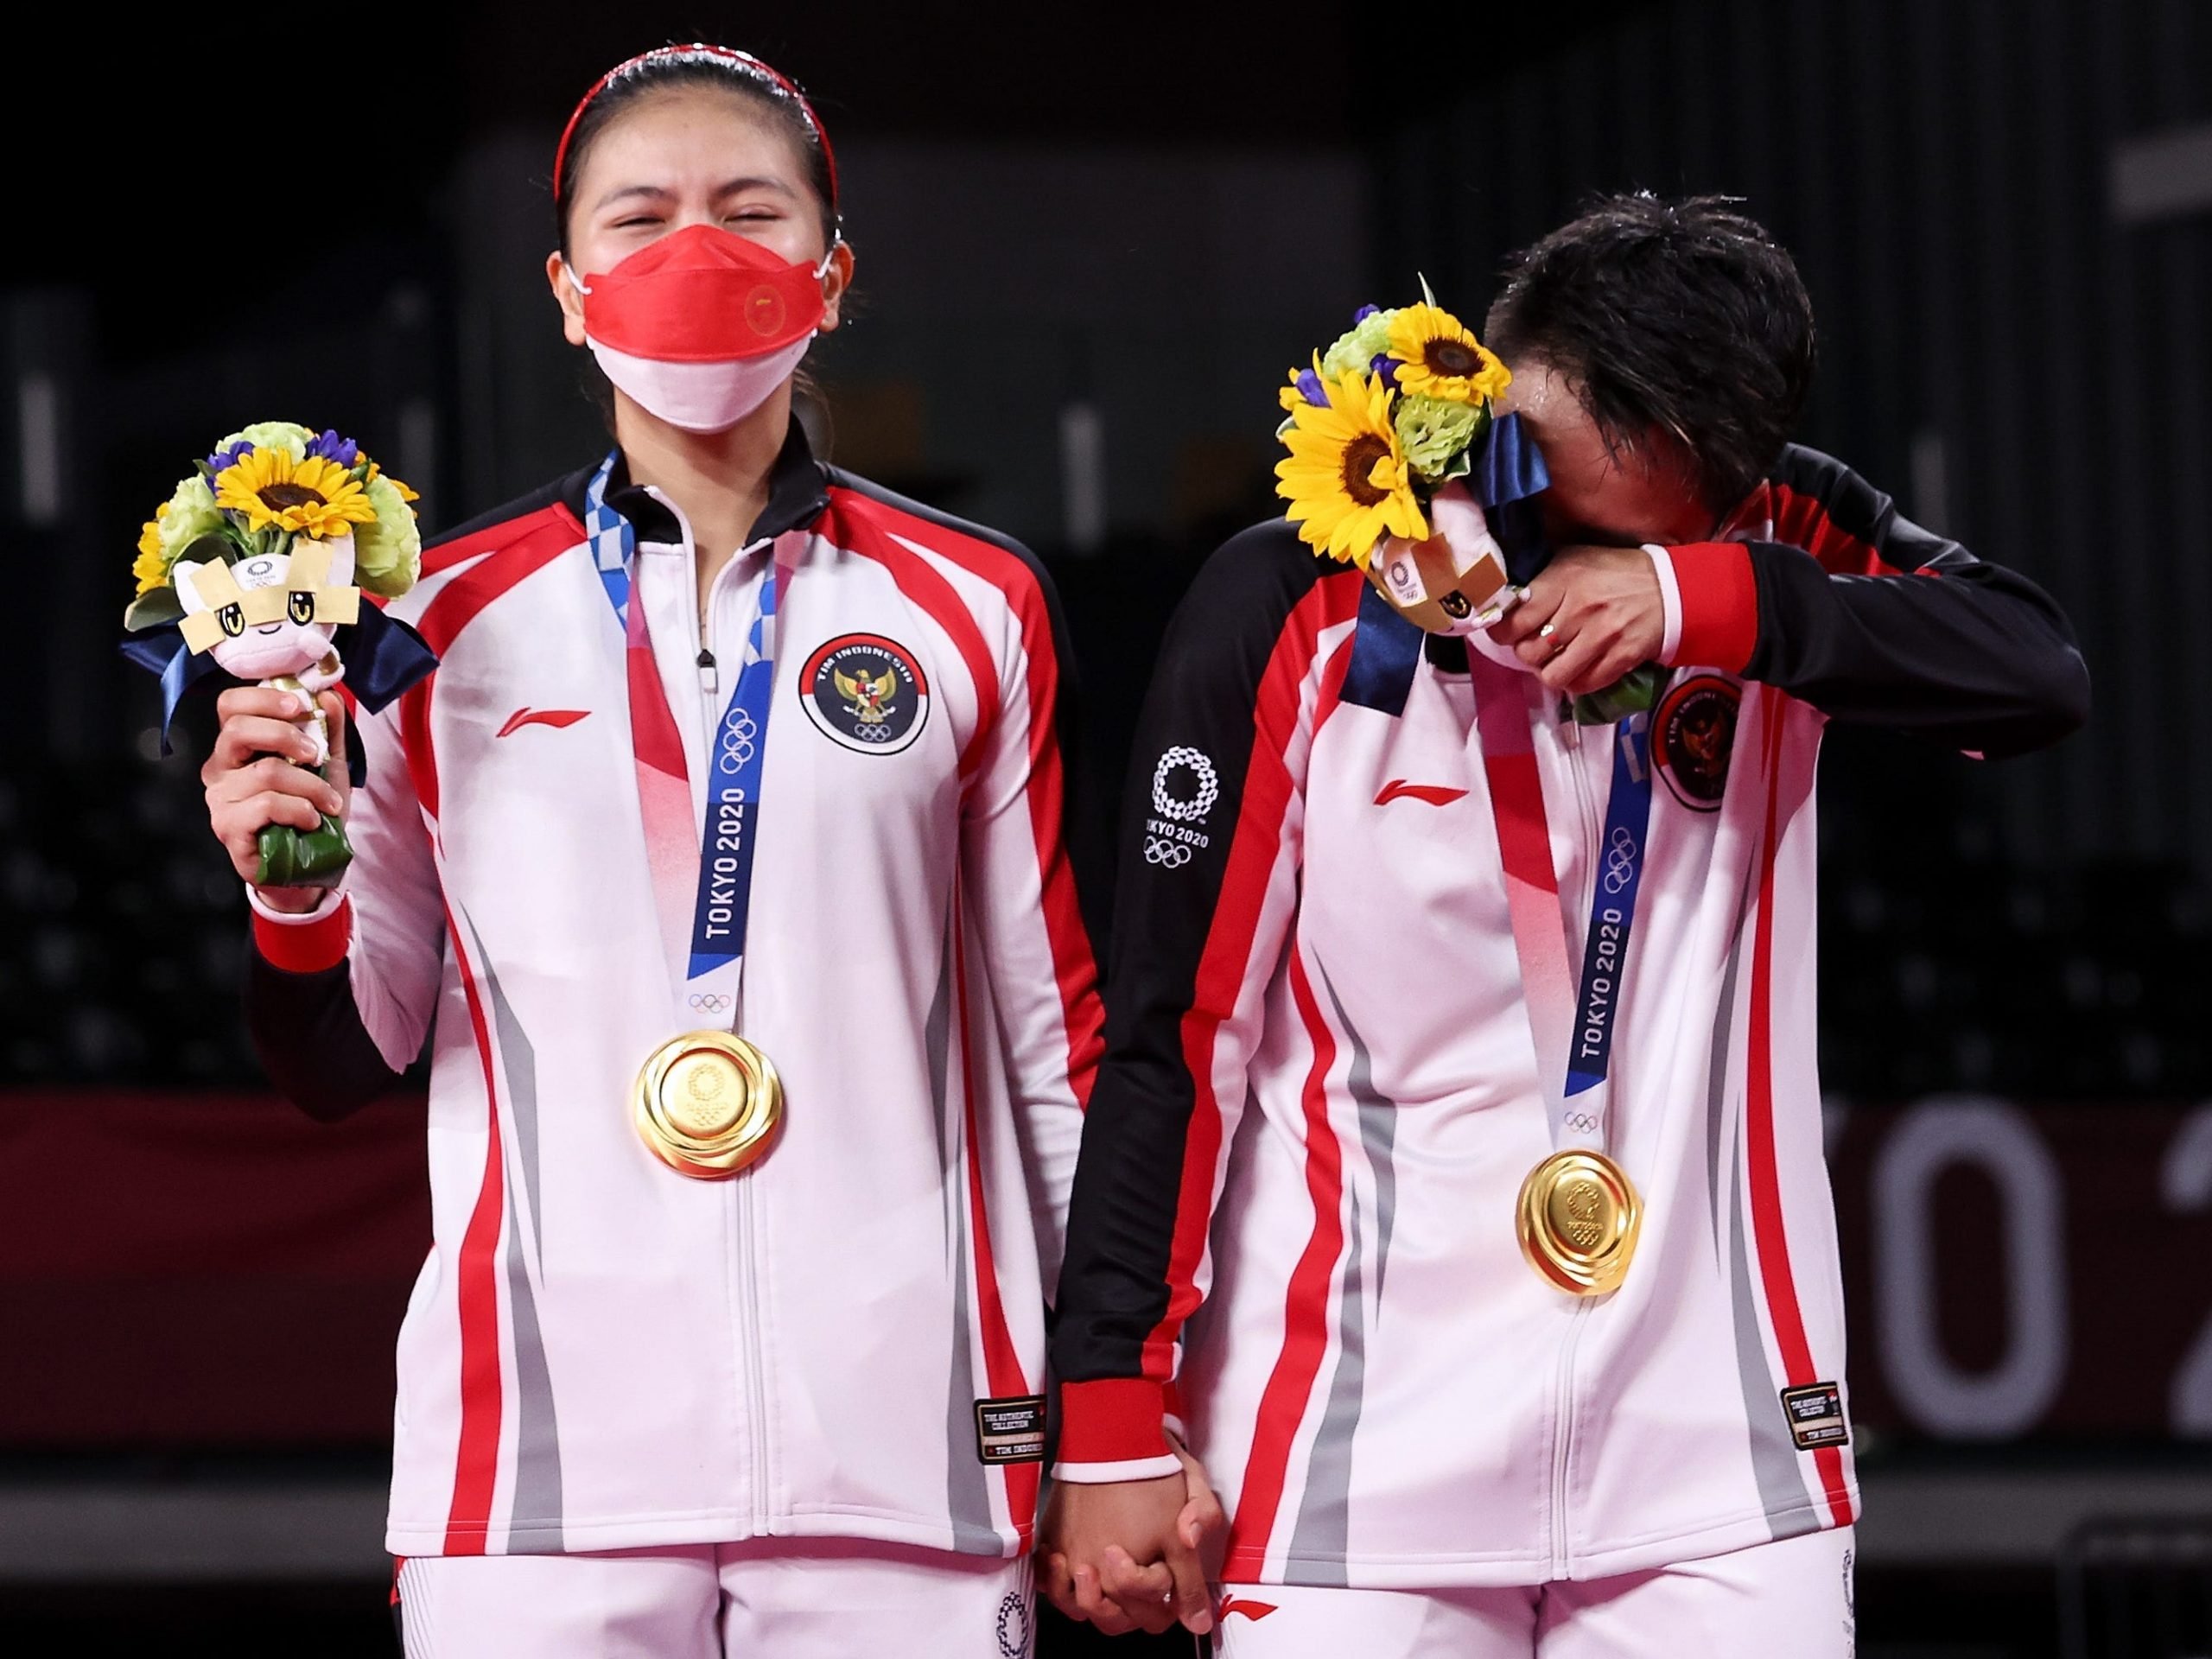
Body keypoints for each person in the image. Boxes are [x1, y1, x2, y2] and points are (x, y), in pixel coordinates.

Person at [1039, 194, 2089, 1656]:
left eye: (1644, 523)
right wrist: (1108, 1407)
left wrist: (1700, 594)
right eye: (1547, 479)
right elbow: (1172, 1037)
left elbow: (2037, 670)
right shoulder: (1296, 598)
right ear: (1494, 377)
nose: (1551, 538)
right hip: (1359, 1437)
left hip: (1717, 1449)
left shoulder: (1766, 532)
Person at [199, 43, 1103, 1656]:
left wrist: (1099, 1406)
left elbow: (1051, 1050)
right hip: (542, 1465)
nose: (697, 252)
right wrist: (292, 890)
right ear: (566, 286)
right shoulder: (430, 623)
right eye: (643, 217)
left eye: (750, 212)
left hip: (904, 1453)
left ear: (831, 273)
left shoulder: (972, 605)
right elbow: (352, 1050)